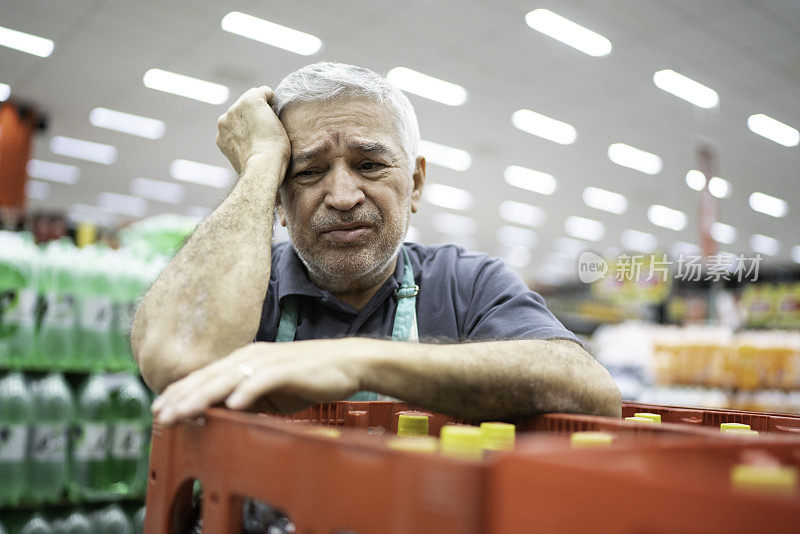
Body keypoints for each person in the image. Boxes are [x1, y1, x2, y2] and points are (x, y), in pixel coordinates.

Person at [133, 62, 621, 425]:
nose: (343, 197)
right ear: (279, 199)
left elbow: (592, 391)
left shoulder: (466, 283)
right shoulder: (242, 288)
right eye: (307, 172)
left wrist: (355, 360)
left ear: (416, 184)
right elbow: (177, 359)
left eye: (369, 165)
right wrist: (260, 164)